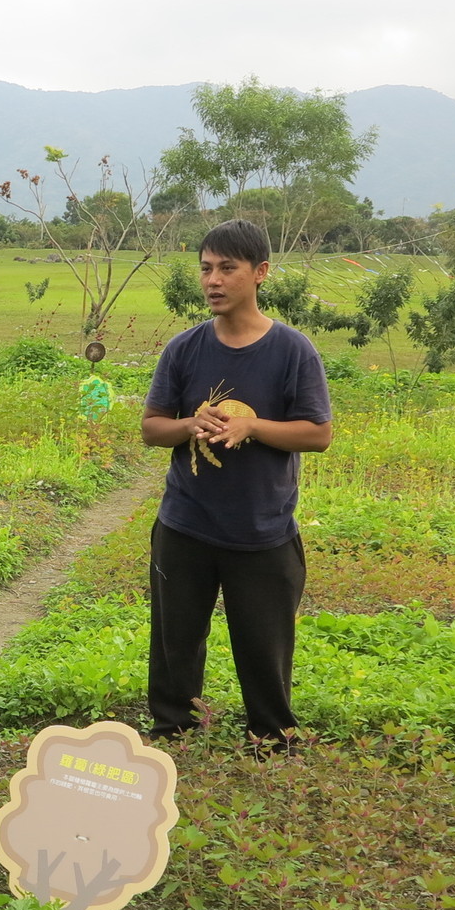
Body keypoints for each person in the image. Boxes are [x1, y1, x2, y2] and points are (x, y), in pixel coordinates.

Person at [141, 218, 334, 749]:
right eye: (206, 269)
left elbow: (318, 434)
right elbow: (152, 428)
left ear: (260, 273)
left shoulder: (293, 351)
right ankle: (171, 737)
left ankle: (270, 741)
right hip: (185, 527)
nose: (213, 281)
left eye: (228, 268)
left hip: (264, 531)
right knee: (175, 644)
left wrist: (253, 425)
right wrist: (190, 424)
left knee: (264, 648)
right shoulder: (183, 349)